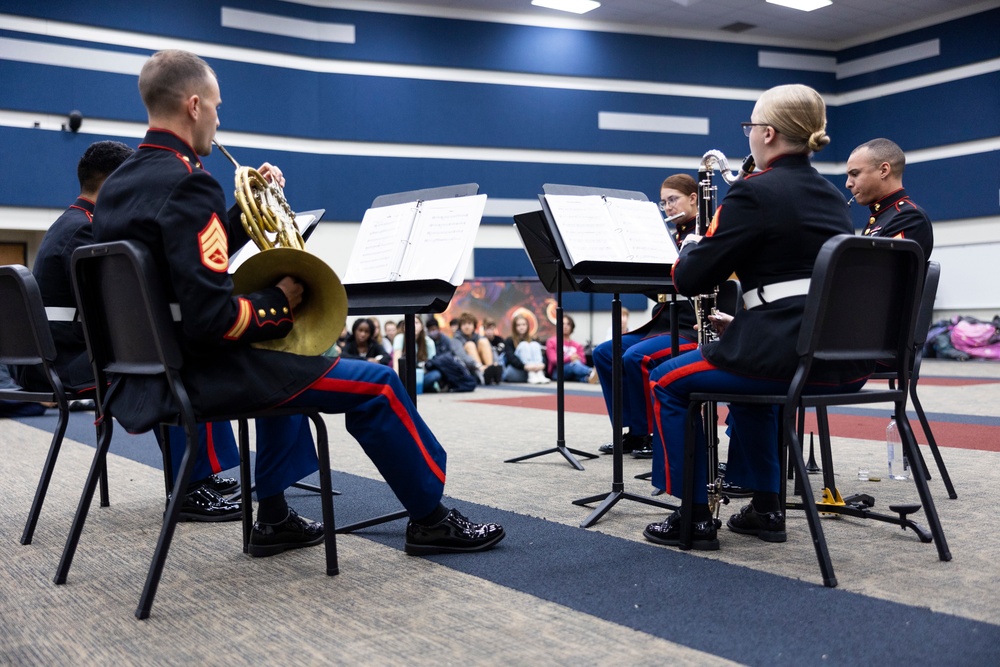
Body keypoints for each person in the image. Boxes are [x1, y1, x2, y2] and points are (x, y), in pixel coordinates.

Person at [92, 50, 504, 557]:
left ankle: (274, 518)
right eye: (218, 108)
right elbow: (211, 318)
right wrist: (279, 300)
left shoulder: (118, 188)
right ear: (194, 106)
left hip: (144, 374)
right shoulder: (188, 182)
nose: (220, 121)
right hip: (199, 373)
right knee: (379, 385)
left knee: (285, 361)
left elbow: (178, 260)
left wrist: (248, 209)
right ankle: (431, 519)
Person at [643, 84, 870, 551]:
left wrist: (691, 246)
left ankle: (693, 517)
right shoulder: (830, 195)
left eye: (750, 128)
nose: (748, 136)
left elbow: (690, 279)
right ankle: (766, 509)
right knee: (750, 387)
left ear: (767, 133)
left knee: (666, 381)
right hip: (841, 357)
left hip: (787, 353)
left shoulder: (753, 193)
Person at [19, 140, 242, 521]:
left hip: (57, 355)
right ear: (115, 182)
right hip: (64, 362)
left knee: (163, 351)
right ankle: (189, 487)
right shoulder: (86, 232)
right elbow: (126, 305)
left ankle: (197, 474)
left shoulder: (76, 222)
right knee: (172, 360)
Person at [591, 174, 701, 457]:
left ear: (693, 199)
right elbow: (662, 292)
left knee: (636, 357)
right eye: (663, 203)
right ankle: (630, 430)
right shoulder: (669, 236)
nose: (668, 207)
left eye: (673, 200)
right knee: (604, 352)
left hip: (691, 326)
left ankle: (647, 434)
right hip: (663, 322)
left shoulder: (705, 233)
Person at [846, 138, 933, 259]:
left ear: (883, 170)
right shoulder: (880, 218)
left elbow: (883, 273)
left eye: (855, 174)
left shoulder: (909, 218)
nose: (848, 184)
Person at [393, 317, 441, 393]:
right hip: (405, 376)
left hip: (422, 375)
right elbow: (396, 362)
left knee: (436, 374)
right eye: (410, 322)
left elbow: (433, 363)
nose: (413, 325)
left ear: (422, 326)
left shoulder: (428, 342)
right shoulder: (399, 338)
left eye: (416, 323)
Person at [453, 312, 500, 384]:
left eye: (469, 323)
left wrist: (496, 362)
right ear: (460, 326)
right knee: (470, 344)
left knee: (483, 341)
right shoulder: (456, 339)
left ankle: (490, 371)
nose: (467, 326)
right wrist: (478, 366)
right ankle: (483, 373)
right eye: (464, 324)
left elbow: (492, 349)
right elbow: (462, 356)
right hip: (471, 369)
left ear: (474, 326)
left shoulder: (478, 336)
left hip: (485, 366)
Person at [502, 313, 549, 384]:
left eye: (524, 324)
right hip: (518, 369)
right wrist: (525, 366)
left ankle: (539, 373)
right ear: (514, 327)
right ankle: (531, 374)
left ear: (527, 326)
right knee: (524, 345)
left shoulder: (533, 340)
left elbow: (541, 354)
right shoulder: (509, 340)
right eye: (518, 325)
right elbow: (511, 358)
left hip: (534, 368)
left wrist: (542, 364)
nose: (521, 327)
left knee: (534, 344)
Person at [545, 315, 593, 382]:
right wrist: (570, 358)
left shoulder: (577, 345)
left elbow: (583, 361)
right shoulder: (551, 341)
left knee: (579, 371)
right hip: (557, 371)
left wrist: (576, 358)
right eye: (563, 324)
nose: (565, 326)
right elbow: (553, 360)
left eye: (568, 324)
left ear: (572, 327)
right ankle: (593, 372)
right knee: (574, 364)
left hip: (574, 371)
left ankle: (590, 378)